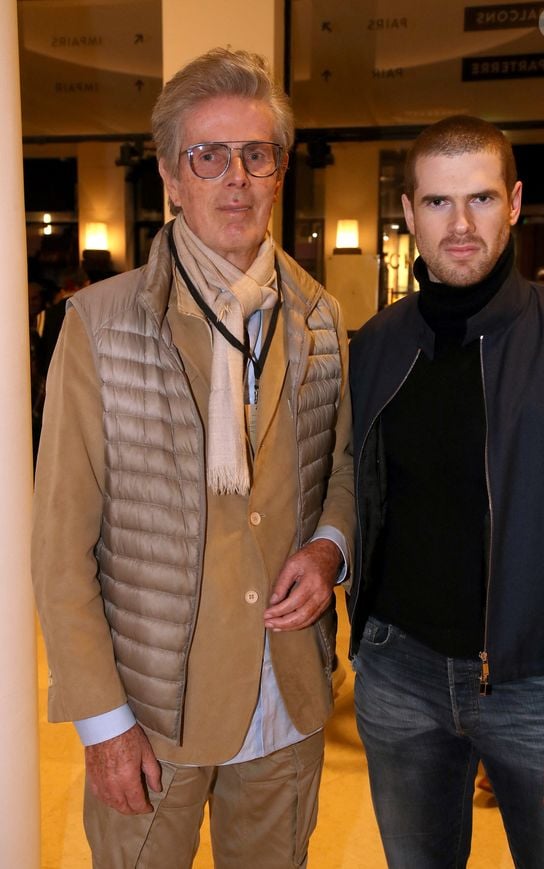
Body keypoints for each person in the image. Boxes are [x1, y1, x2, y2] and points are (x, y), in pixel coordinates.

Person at [32, 47, 354, 869]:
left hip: (285, 696)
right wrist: (104, 723)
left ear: (280, 172)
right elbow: (61, 546)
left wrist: (330, 548)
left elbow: (343, 467)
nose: (235, 179)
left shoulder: (320, 316)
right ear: (173, 178)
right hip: (152, 710)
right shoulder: (100, 325)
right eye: (208, 156)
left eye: (256, 154)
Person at [348, 115, 544, 868]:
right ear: (408, 213)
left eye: (480, 198)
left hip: (541, 686)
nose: (460, 225)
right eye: (438, 202)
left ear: (514, 202)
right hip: (399, 677)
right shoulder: (375, 346)